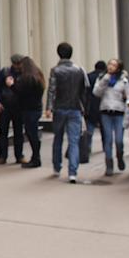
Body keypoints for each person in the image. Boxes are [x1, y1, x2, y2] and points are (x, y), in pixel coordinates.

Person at [46, 42, 87, 183]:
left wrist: (48, 107)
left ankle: (57, 167)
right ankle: (72, 172)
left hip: (60, 108)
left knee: (58, 138)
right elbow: (84, 89)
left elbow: (52, 89)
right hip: (75, 108)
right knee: (74, 141)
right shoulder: (79, 70)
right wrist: (84, 106)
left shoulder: (55, 70)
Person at [93, 59, 129, 174]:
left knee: (119, 140)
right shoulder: (101, 78)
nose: (111, 67)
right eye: (110, 64)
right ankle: (109, 164)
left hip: (119, 112)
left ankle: (120, 156)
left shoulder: (123, 81)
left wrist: (127, 117)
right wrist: (105, 79)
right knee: (108, 139)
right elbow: (96, 93)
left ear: (118, 68)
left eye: (114, 65)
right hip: (105, 111)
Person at [15, 56, 46, 168]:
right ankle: (36, 157)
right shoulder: (38, 76)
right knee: (33, 133)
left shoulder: (26, 78)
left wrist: (12, 85)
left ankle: (36, 158)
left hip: (28, 109)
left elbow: (20, 92)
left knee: (31, 133)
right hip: (37, 108)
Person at [0, 55, 25, 165]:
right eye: (16, 64)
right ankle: (2, 156)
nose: (18, 66)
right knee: (3, 131)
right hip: (5, 105)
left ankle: (19, 155)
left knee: (18, 132)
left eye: (19, 64)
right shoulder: (5, 72)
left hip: (18, 106)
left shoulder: (23, 74)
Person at [86, 60, 107, 159]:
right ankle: (105, 146)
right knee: (104, 129)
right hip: (103, 105)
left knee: (90, 128)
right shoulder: (105, 77)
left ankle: (88, 147)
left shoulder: (89, 76)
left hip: (91, 106)